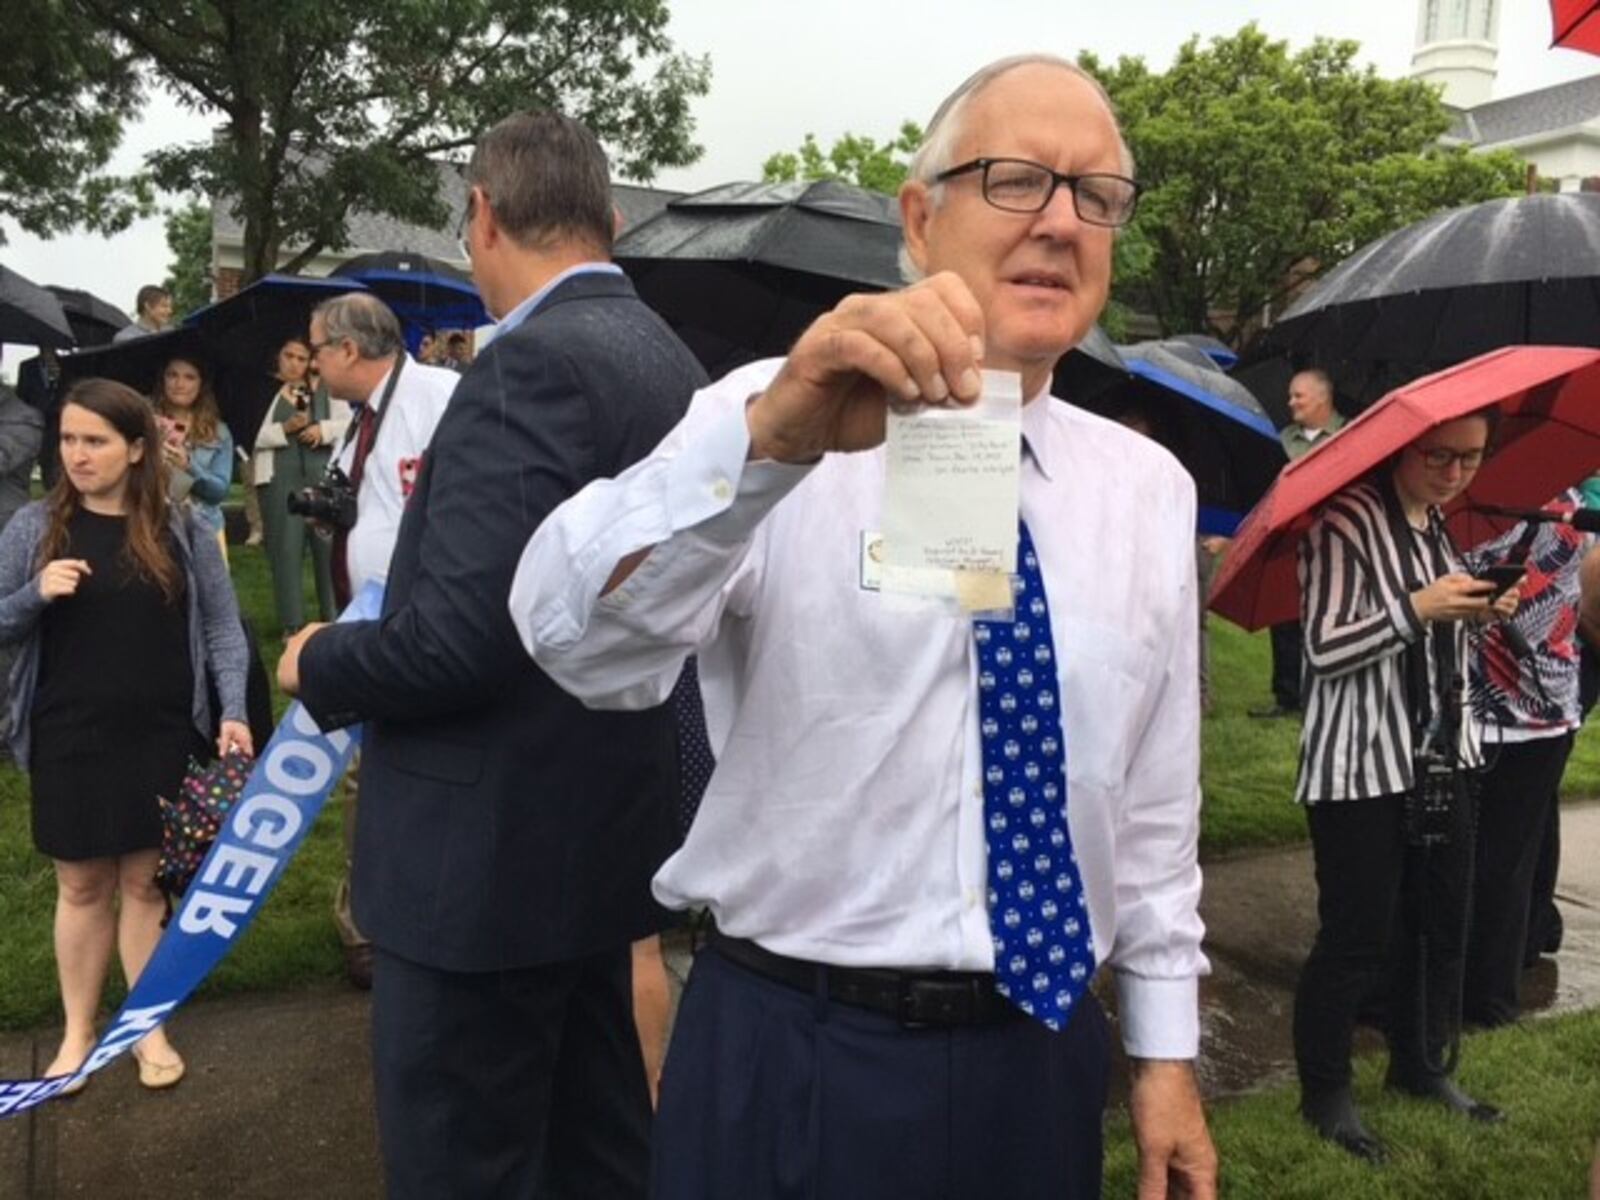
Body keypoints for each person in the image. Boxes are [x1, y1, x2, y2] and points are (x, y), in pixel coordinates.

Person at [511, 55, 1215, 1200]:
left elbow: (1149, 804)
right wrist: (762, 451)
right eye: (1017, 178)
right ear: (918, 214)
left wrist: (1165, 1051)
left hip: (1034, 1063)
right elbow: (573, 640)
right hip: (794, 1050)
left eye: (1096, 195)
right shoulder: (771, 416)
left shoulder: (1146, 487)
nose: (1058, 220)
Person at [276, 110, 705, 1198]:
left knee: (467, 1166)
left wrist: (317, 660)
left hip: (480, 874)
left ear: (480, 214)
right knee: (597, 1150)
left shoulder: (527, 370)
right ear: (608, 220)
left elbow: (464, 643)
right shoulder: (665, 354)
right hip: (598, 839)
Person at [0, 378, 251, 1094]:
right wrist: (34, 593)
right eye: (69, 440)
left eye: (95, 441)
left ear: (136, 449)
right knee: (81, 884)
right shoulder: (33, 528)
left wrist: (231, 709)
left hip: (161, 732)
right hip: (70, 732)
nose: (76, 455)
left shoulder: (180, 530)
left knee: (144, 882)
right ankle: (78, 1033)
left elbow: (222, 629)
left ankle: (144, 1029)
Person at [1292, 412, 1517, 1162]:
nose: (1455, 472)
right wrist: (1419, 607)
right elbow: (1322, 647)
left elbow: (1429, 640)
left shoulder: (1434, 527)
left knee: (1432, 923)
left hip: (1437, 759)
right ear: (1404, 447)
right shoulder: (1345, 520)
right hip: (1359, 764)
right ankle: (1325, 1092)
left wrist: (1480, 610)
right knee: (1357, 936)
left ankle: (1417, 1066)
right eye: (1440, 455)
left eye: (1472, 458)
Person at [299, 293, 457, 989]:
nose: (311, 365)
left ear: (349, 350)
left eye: (316, 351)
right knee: (374, 766)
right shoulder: (359, 418)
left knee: (391, 770)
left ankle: (382, 919)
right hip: (366, 619)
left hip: (419, 624)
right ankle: (373, 916)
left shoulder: (437, 397)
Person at [1461, 492, 1595, 1027]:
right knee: (1501, 862)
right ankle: (1484, 990)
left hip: (1516, 711)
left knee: (1495, 865)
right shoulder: (1562, 507)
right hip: (1518, 708)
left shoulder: (1547, 516)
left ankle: (1488, 998)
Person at [1253, 368, 1347, 719]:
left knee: (1328, 612)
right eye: (1291, 395)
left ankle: (1322, 692)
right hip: (1289, 536)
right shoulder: (1282, 439)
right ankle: (1287, 695)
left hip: (1334, 538)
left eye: (1298, 396)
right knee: (1284, 614)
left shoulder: (1348, 435)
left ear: (1322, 398)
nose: (1290, 402)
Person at [251, 337, 350, 633]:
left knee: (328, 547)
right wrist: (284, 429)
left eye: (302, 358)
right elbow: (250, 435)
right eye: (289, 356)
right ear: (278, 358)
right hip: (279, 476)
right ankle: (291, 625)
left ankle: (333, 618)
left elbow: (349, 423)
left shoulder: (328, 390)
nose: (295, 363)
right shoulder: (263, 392)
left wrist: (324, 429)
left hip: (321, 474)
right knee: (286, 548)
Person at [151, 356, 234, 559]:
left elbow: (219, 492)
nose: (180, 384)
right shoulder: (145, 421)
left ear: (201, 384)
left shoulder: (218, 432)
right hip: (154, 527)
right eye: (172, 375)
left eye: (189, 377)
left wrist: (189, 466)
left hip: (202, 527)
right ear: (162, 380)